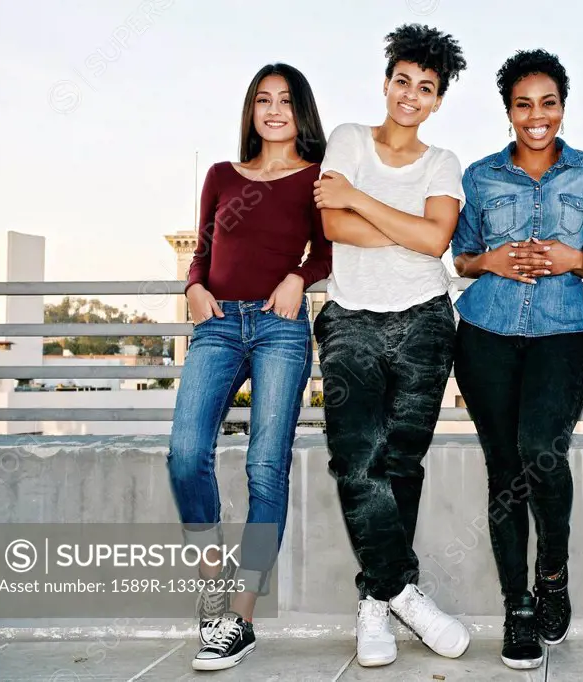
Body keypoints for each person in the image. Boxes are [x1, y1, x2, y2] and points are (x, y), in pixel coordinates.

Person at [310, 23, 470, 668]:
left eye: (425, 88)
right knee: (355, 462)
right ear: (386, 84)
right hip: (351, 315)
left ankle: (375, 603)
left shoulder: (443, 162)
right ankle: (400, 589)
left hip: (427, 320)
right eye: (402, 81)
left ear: (437, 100)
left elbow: (437, 244)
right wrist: (403, 224)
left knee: (401, 463)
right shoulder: (348, 139)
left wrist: (361, 201)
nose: (410, 95)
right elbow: (330, 222)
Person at [451, 49, 583, 670]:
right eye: (524, 105)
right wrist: (486, 261)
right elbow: (463, 256)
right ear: (509, 111)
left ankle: (553, 570)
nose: (536, 116)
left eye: (547, 103)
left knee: (542, 450)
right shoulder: (480, 175)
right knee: (503, 469)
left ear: (562, 108)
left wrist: (577, 260)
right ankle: (517, 606)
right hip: (486, 330)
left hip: (561, 331)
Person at [167, 63, 330, 671]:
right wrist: (192, 288)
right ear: (251, 110)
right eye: (264, 99)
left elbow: (330, 247)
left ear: (301, 111)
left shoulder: (315, 178)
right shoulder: (219, 175)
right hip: (217, 324)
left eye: (286, 101)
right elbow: (204, 248)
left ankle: (240, 616)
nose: (274, 110)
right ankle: (213, 575)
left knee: (267, 467)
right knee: (186, 454)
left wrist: (298, 278)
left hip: (279, 327)